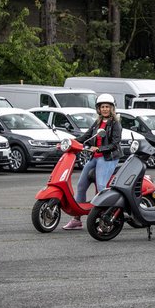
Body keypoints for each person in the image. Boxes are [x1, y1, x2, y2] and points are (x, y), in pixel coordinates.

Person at [63, 94, 125, 230]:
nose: (105, 109)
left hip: (108, 157)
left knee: (101, 186)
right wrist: (70, 141)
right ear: (98, 109)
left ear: (112, 108)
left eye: (107, 107)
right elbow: (87, 136)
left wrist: (100, 149)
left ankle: (106, 218)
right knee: (81, 185)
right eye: (102, 107)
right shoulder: (97, 122)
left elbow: (115, 143)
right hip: (95, 157)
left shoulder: (115, 124)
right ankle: (76, 219)